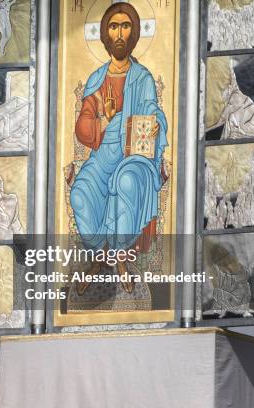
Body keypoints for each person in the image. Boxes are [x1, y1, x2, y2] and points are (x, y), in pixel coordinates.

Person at [70, 2, 168, 294]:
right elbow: (82, 128)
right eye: (113, 27)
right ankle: (100, 257)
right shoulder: (96, 80)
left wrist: (155, 124)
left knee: (126, 182)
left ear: (134, 34)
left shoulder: (143, 78)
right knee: (80, 192)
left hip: (133, 155)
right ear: (105, 35)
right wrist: (103, 119)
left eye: (126, 26)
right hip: (103, 154)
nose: (120, 33)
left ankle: (122, 258)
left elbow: (153, 112)